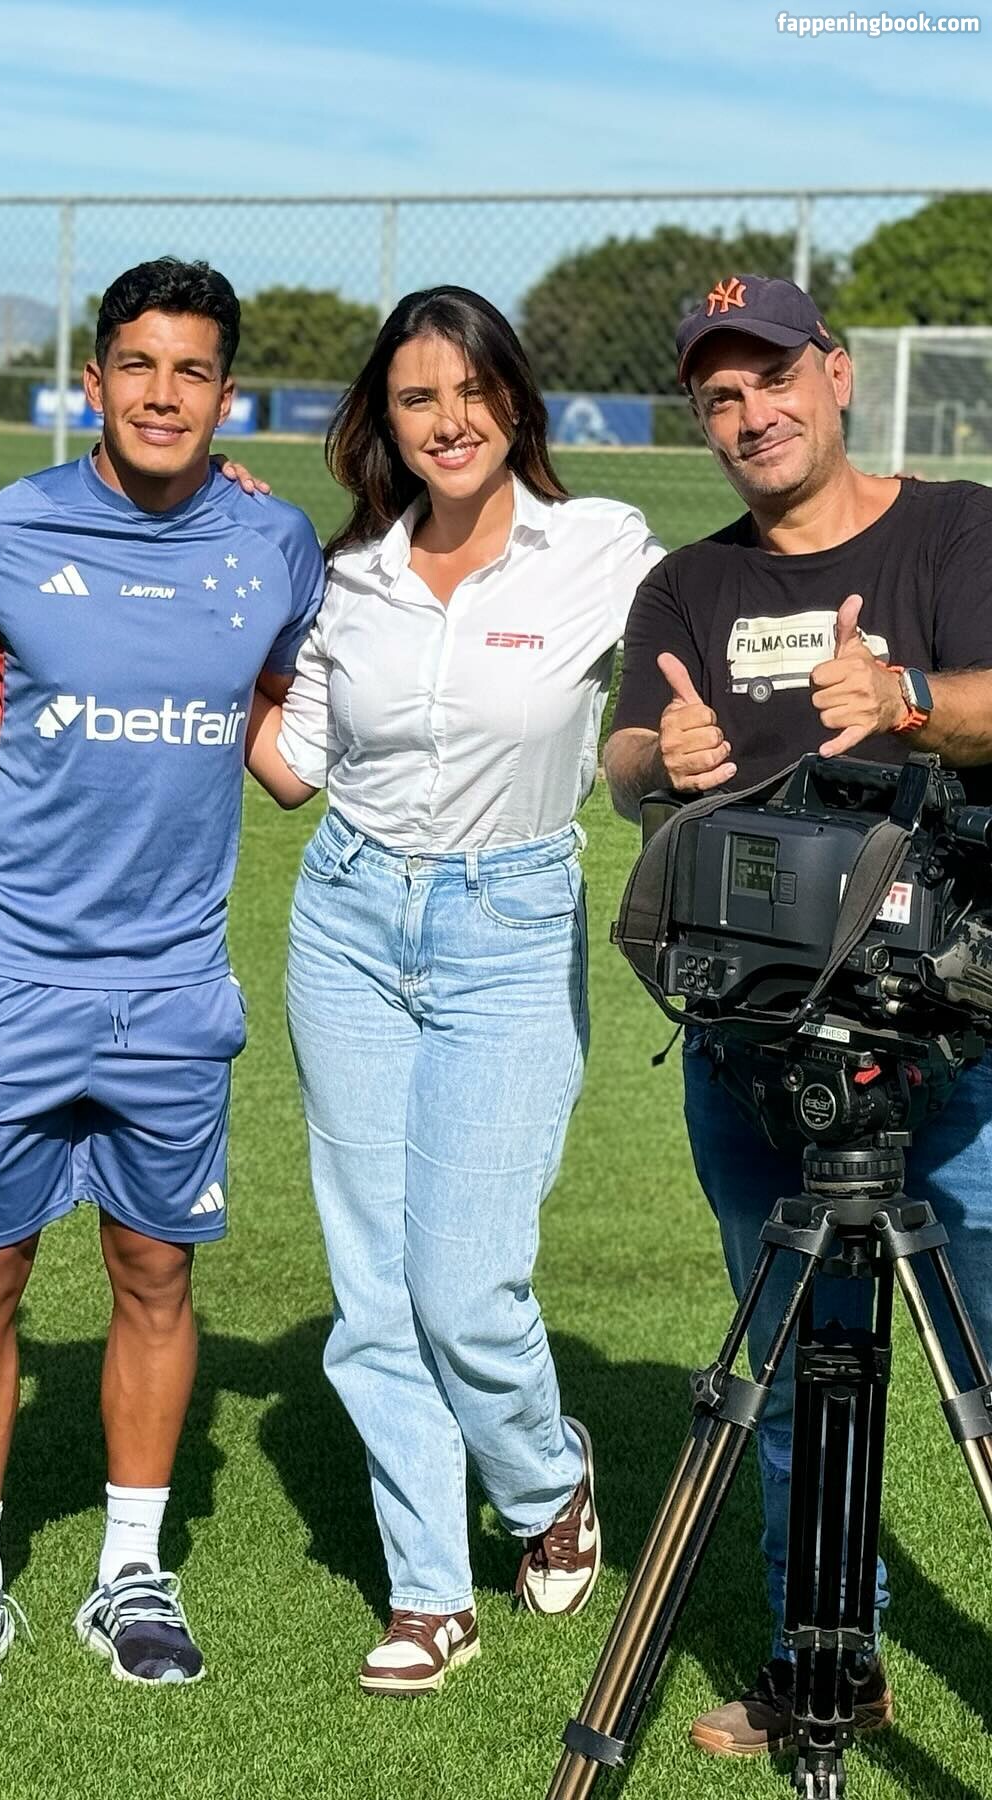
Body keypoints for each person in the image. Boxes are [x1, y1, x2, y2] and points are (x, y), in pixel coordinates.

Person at [0, 258, 324, 1698]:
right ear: (93, 381)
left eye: (191, 371)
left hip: (174, 985)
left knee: (155, 1270)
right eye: (137, 365)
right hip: (14, 972)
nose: (161, 394)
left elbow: (298, 715)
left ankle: (130, 1567)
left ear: (227, 396)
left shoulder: (274, 544)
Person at [242, 286, 664, 1696]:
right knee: (373, 1289)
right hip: (349, 922)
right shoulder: (348, 575)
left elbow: (709, 643)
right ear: (385, 418)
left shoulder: (599, 547)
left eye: (472, 391)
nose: (449, 420)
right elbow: (293, 769)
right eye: (418, 397)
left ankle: (546, 1481)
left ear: (516, 402)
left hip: (512, 925)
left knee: (465, 1285)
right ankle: (429, 1593)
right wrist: (197, 614)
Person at [604, 272, 992, 1758]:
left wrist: (906, 699)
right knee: (787, 1382)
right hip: (756, 1053)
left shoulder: (956, 528)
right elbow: (624, 762)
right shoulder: (686, 586)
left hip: (947, 1038)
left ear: (837, 374)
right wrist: (662, 757)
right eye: (720, 394)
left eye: (773, 376)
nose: (750, 413)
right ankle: (824, 1666)